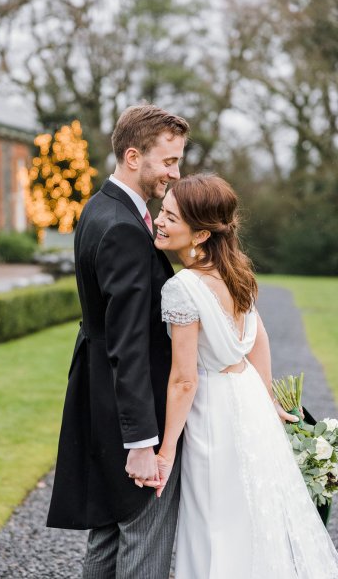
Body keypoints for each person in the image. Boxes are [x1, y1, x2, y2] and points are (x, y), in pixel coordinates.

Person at [150, 173, 338, 578]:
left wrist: (165, 453)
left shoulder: (182, 287)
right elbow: (259, 339)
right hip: (248, 398)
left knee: (212, 520)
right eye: (161, 211)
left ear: (200, 234)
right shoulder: (237, 270)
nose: (159, 221)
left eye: (170, 217)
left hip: (212, 413)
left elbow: (184, 380)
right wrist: (267, 397)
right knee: (250, 512)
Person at [46, 104, 189, 578]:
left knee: (108, 533)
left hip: (100, 396)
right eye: (168, 161)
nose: (176, 172)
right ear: (133, 156)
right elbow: (129, 342)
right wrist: (143, 442)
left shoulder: (98, 208)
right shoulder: (125, 227)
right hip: (131, 406)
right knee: (144, 536)